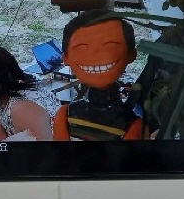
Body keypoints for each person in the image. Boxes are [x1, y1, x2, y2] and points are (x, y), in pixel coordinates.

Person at [53, 10, 143, 140]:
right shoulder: (65, 115)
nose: (96, 55)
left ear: (131, 55)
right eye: (82, 48)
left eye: (110, 46)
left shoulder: (132, 125)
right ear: (65, 58)